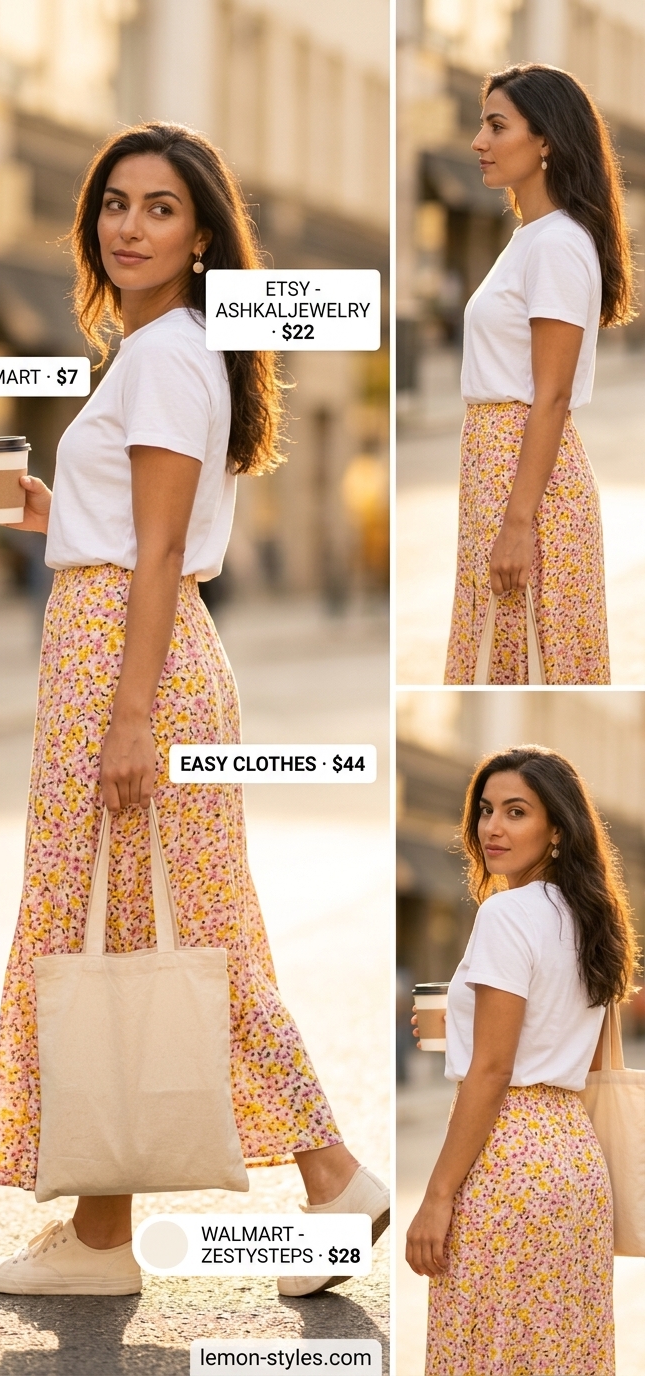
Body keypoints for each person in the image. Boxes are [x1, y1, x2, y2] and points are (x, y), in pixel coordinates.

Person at [0, 121, 388, 1298]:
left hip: (127, 662)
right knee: (141, 927)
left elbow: (156, 553)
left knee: (160, 932)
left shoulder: (163, 356)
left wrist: (133, 716)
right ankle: (111, 1231)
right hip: (131, 650)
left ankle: (324, 1176)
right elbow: (139, 534)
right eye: (115, 203)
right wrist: (54, 513)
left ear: (202, 236)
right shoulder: (174, 349)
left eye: (160, 207)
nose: (129, 225)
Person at [406, 745, 638, 1373]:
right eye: (486, 810)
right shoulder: (593, 918)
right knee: (561, 1351)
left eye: (516, 812)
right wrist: (458, 1023)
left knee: (489, 1349)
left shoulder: (506, 913)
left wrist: (437, 1196)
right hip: (576, 1166)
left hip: (507, 1162)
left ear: (557, 829)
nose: (493, 828)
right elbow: (571, 1042)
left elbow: (493, 1071)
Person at [443, 63, 636, 685]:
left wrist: (518, 524)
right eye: (482, 125)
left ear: (546, 139)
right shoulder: (532, 238)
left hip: (530, 489)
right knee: (500, 655)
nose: (479, 141)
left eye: (497, 126)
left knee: (526, 660)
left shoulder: (556, 244)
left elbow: (551, 396)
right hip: (501, 475)